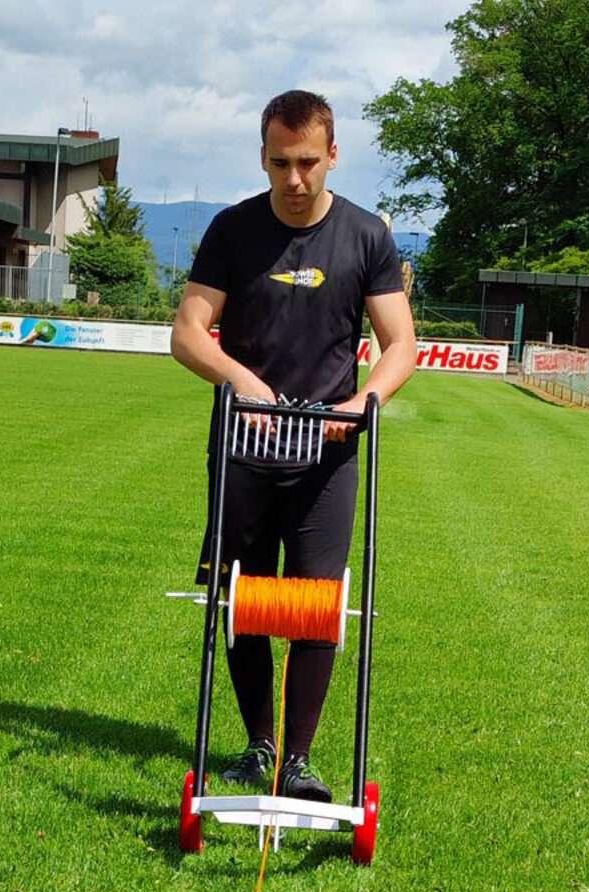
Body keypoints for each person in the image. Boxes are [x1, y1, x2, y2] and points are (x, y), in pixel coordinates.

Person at [170, 89, 418, 803]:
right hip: (244, 446)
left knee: (316, 601)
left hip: (327, 453)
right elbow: (187, 333)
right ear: (263, 158)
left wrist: (361, 405)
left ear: (333, 154)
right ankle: (259, 746)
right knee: (243, 597)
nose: (295, 179)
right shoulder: (232, 230)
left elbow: (401, 343)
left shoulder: (365, 236)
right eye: (280, 163)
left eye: (308, 162)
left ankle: (299, 761)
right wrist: (242, 380)